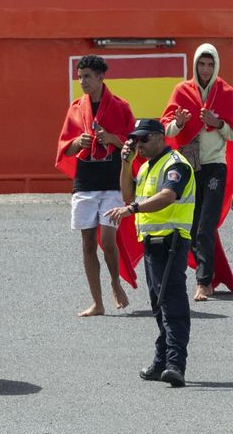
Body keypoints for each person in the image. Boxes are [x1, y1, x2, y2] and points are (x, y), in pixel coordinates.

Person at [105, 119, 195, 388]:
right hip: (152, 244)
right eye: (135, 140)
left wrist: (133, 210)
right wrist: (124, 163)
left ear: (159, 137)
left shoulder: (175, 164)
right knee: (159, 305)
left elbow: (168, 196)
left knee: (172, 305)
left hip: (171, 242)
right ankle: (161, 362)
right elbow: (127, 195)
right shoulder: (145, 167)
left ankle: (175, 364)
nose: (138, 145)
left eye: (143, 139)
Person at [55, 54, 136, 317]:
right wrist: (79, 143)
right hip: (85, 183)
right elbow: (64, 146)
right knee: (87, 242)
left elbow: (134, 142)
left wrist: (112, 138)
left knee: (108, 239)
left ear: (101, 77)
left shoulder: (121, 106)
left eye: (87, 76)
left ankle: (115, 283)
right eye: (80, 77)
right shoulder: (76, 108)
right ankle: (97, 303)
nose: (82, 82)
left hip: (112, 183)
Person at [161, 43, 233, 301]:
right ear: (195, 65)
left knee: (206, 225)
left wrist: (219, 124)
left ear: (216, 66)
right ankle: (208, 275)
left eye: (210, 64)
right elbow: (165, 129)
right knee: (191, 227)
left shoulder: (226, 92)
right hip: (188, 166)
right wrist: (178, 123)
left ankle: (203, 282)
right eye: (201, 64)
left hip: (215, 165)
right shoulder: (182, 91)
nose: (205, 69)